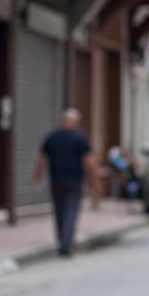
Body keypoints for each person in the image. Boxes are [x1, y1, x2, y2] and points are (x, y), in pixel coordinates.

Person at [34, 108, 96, 257]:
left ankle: (62, 240)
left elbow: (41, 160)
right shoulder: (80, 138)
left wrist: (37, 178)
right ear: (75, 122)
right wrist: (94, 182)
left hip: (56, 180)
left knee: (60, 211)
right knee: (71, 211)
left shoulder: (52, 137)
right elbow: (89, 162)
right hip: (74, 180)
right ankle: (66, 244)